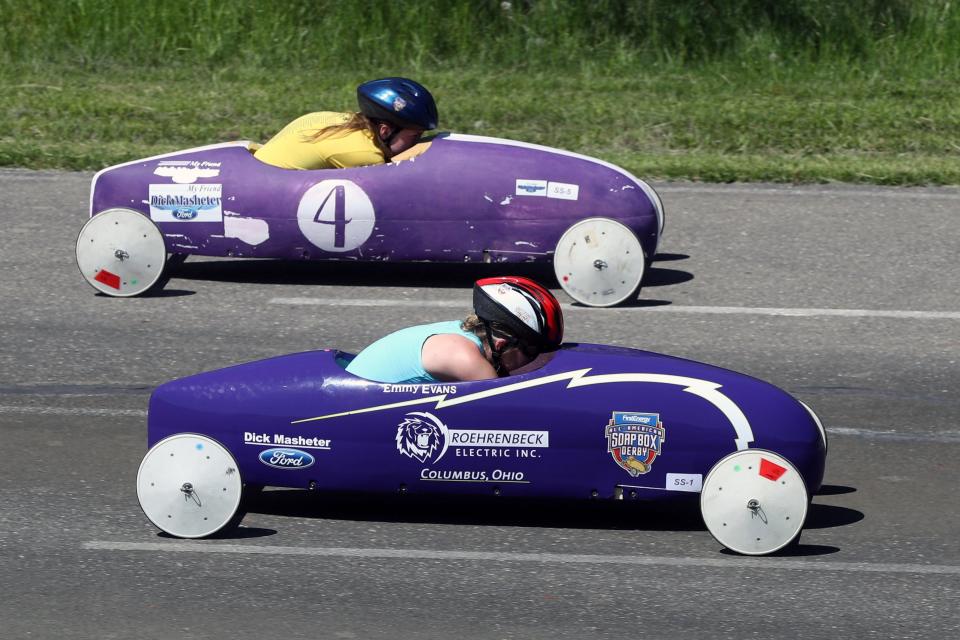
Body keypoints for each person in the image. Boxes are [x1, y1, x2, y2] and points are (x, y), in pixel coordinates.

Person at [345, 277, 564, 384]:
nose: (536, 360)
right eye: (532, 351)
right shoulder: (466, 359)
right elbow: (509, 415)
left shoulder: (464, 334)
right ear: (502, 343)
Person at [254, 77, 438, 170]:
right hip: (258, 194)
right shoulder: (363, 153)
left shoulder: (341, 120)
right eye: (414, 136)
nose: (417, 143)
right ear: (385, 130)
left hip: (253, 170)